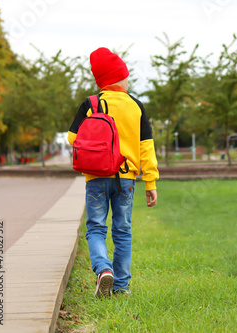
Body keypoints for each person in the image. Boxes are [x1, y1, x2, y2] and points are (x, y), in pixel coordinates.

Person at [68, 47, 159, 298]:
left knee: (96, 228)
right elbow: (146, 148)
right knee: (123, 230)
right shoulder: (136, 106)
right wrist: (150, 182)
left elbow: (72, 137)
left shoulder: (91, 103)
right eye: (126, 76)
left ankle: (102, 269)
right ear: (120, 78)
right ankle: (121, 286)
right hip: (126, 179)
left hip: (96, 177)